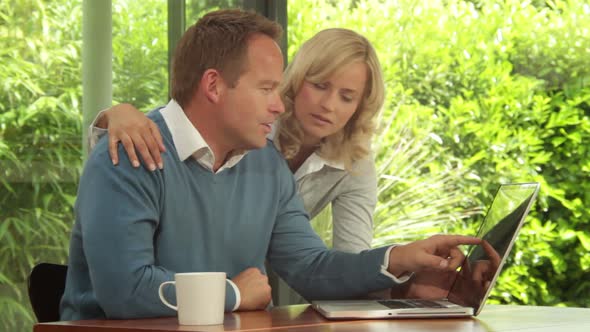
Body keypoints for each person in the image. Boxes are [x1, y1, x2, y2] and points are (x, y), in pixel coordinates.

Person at [61, 8, 481, 321]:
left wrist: (401, 258)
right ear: (213, 86)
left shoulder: (265, 165)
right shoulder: (131, 152)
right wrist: (233, 294)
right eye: (266, 88)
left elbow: (312, 268)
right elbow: (125, 290)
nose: (280, 105)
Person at [90, 28, 383, 254]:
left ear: (361, 105)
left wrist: (401, 271)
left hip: (254, 283)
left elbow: (349, 260)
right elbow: (174, 127)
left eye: (347, 97)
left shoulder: (354, 163)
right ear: (297, 79)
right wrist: (113, 114)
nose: (329, 105)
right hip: (174, 272)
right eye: (320, 86)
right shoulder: (252, 125)